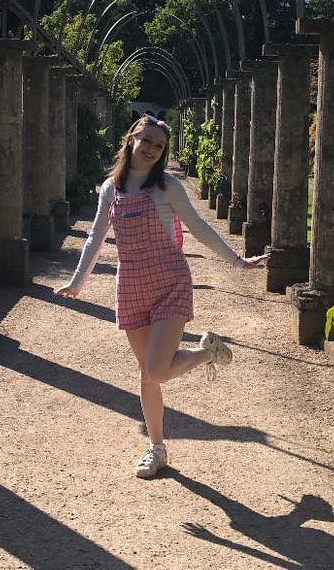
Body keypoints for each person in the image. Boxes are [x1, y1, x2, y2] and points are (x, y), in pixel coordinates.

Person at [56, 114, 268, 478]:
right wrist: (78, 283)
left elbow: (198, 227)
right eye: (148, 141)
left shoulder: (166, 186)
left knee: (157, 369)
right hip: (132, 286)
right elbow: (95, 237)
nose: (153, 149)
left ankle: (205, 354)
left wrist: (236, 260)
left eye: (160, 145)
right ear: (131, 139)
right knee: (147, 375)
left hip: (170, 281)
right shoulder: (111, 188)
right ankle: (157, 449)